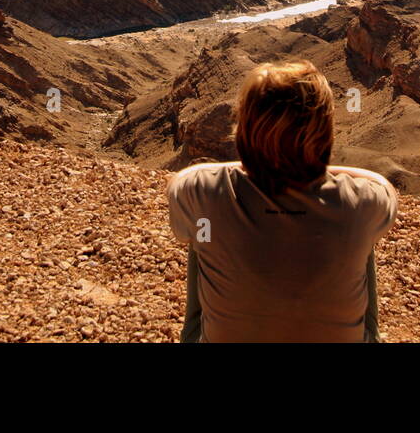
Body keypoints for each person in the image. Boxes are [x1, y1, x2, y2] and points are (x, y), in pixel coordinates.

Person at [166, 59, 397, 343]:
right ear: (325, 130)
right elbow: (381, 183)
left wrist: (259, 162)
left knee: (202, 227)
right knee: (361, 230)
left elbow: (182, 178)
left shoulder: (200, 190)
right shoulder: (365, 200)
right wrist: (313, 167)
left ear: (244, 128)